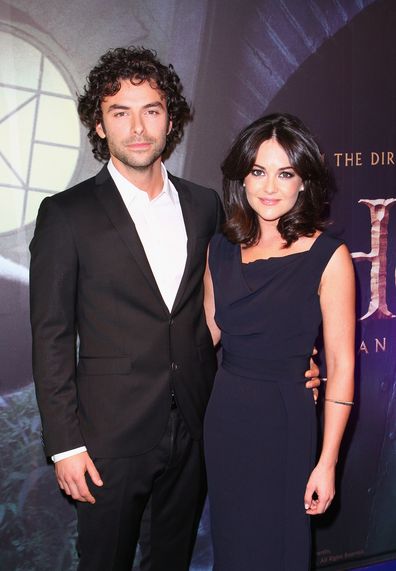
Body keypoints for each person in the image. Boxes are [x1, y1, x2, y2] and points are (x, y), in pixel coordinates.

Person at [29, 47, 320, 571]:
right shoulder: (65, 215)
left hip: (197, 420)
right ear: (99, 125)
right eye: (120, 112)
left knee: (175, 557)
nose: (138, 127)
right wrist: (64, 445)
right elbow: (50, 335)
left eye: (152, 110)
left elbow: (230, 303)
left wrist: (294, 358)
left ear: (172, 119)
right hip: (106, 438)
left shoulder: (205, 204)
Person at [203, 113, 355, 570]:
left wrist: (327, 462)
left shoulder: (329, 257)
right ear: (242, 178)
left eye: (285, 173)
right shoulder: (220, 249)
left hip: (285, 420)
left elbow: (343, 367)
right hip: (226, 417)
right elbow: (204, 336)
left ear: (304, 182)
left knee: (280, 549)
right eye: (258, 171)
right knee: (233, 547)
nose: (270, 187)